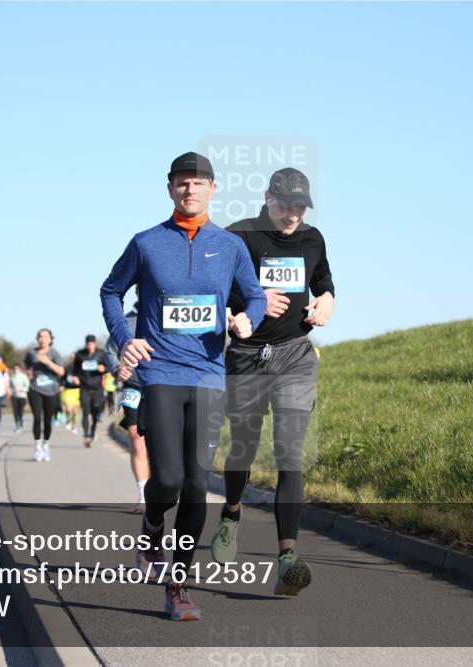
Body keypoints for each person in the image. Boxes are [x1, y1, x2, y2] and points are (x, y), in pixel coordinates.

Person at [100, 152, 266, 621]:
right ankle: (152, 526)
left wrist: (247, 320)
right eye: (181, 183)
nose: (189, 190)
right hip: (161, 372)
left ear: (213, 189)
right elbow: (110, 290)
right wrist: (125, 339)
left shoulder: (230, 247)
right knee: (168, 479)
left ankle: (179, 586)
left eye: (198, 183)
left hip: (209, 375)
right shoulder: (147, 242)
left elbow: (253, 295)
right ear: (170, 189)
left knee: (196, 485)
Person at [210, 168, 335, 597]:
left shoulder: (312, 240)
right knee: (243, 445)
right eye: (285, 205)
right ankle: (230, 513)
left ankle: (287, 558)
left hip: (295, 356)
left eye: (301, 207)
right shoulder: (238, 237)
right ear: (267, 198)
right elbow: (213, 288)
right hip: (247, 356)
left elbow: (323, 282)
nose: (293, 215)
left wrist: (327, 302)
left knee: (289, 450)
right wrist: (255, 297)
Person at [105, 298, 148, 513]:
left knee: (159, 443)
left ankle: (162, 490)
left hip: (161, 387)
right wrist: (116, 369)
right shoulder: (127, 321)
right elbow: (110, 351)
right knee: (136, 439)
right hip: (133, 386)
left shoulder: (167, 316)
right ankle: (143, 495)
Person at [24, 329, 65, 462]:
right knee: (37, 418)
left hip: (51, 390)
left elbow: (61, 372)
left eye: (45, 337)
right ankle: (37, 448)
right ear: (37, 339)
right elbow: (27, 367)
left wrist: (48, 362)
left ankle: (45, 446)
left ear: (50, 339)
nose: (42, 339)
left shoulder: (55, 354)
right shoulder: (31, 353)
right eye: (40, 337)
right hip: (35, 389)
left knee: (48, 420)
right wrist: (29, 373)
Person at [72, 334, 107, 447]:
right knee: (85, 412)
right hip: (84, 387)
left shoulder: (101, 353)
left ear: (95, 343)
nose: (90, 346)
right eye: (88, 344)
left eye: (92, 344)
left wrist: (103, 369)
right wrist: (75, 377)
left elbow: (109, 367)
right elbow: (74, 369)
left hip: (97, 388)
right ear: (85, 344)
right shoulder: (80, 354)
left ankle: (93, 430)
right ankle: (86, 436)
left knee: (96, 411)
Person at [61, 360, 81, 435]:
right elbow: (62, 378)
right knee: (68, 408)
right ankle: (68, 420)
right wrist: (62, 385)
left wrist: (80, 382)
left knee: (75, 411)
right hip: (68, 390)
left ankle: (74, 426)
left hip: (78, 390)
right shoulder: (67, 368)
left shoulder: (81, 369)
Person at [9, 364, 30, 433]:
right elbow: (10, 386)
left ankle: (20, 424)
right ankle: (17, 425)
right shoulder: (12, 377)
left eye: (17, 368)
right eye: (14, 369)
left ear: (19, 369)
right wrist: (11, 390)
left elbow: (27, 386)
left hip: (22, 396)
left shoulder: (23, 376)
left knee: (20, 411)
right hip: (14, 396)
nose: (15, 370)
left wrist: (21, 389)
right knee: (15, 411)